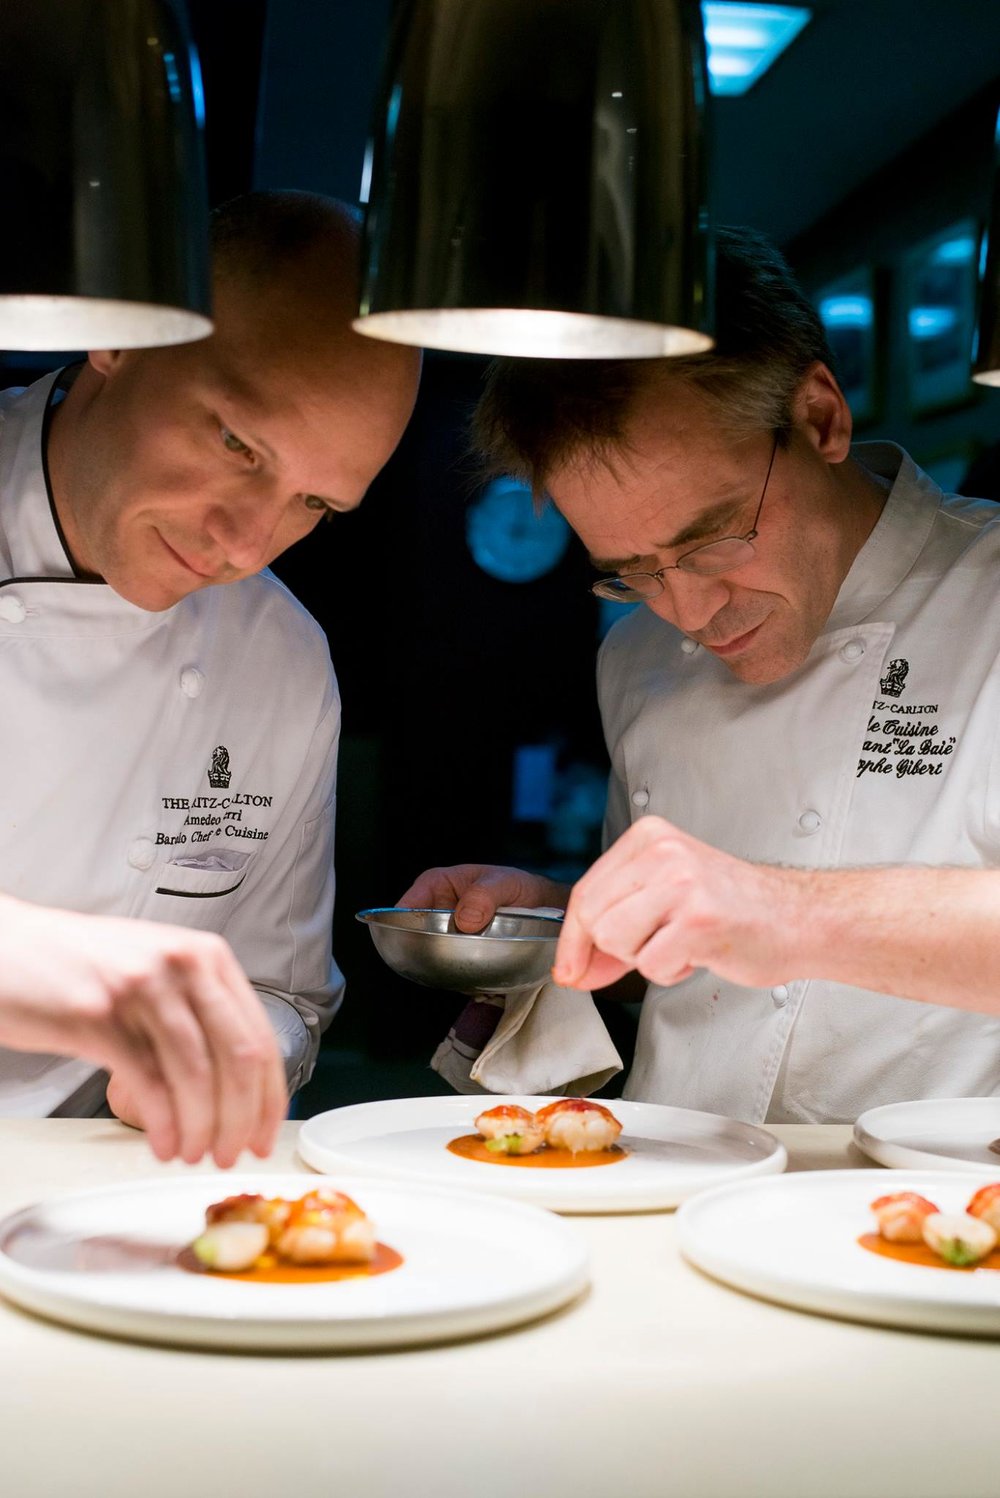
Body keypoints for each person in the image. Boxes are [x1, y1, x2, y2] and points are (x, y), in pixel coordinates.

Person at [403, 226, 1000, 1124]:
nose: (686, 610)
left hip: (929, 1218)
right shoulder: (635, 655)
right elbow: (684, 967)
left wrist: (785, 910)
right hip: (672, 1187)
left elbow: (764, 913)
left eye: (714, 538)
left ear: (821, 418)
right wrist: (573, 921)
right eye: (631, 569)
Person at [0, 190, 421, 1162]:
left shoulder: (278, 658)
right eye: (236, 443)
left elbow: (281, 990)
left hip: (96, 1194)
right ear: (120, 334)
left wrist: (235, 1054)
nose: (245, 542)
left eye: (313, 501)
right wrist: (65, 971)